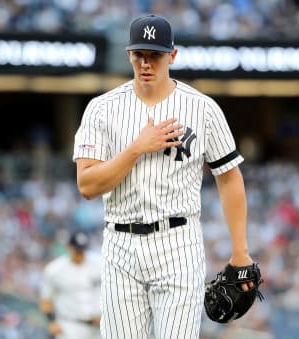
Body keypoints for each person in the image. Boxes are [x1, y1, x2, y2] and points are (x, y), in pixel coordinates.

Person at [73, 14, 255, 339]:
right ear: (129, 54)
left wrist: (240, 252)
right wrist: (136, 148)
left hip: (177, 243)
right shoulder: (101, 109)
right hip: (120, 243)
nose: (146, 63)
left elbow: (229, 177)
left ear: (172, 55)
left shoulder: (202, 109)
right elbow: (87, 185)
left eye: (155, 55)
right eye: (139, 54)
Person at [39, 231, 102, 339]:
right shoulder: (55, 269)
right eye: (77, 250)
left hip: (98, 326)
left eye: (83, 250)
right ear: (68, 247)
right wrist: (51, 322)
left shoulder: (100, 264)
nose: (80, 253)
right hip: (70, 326)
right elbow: (46, 300)